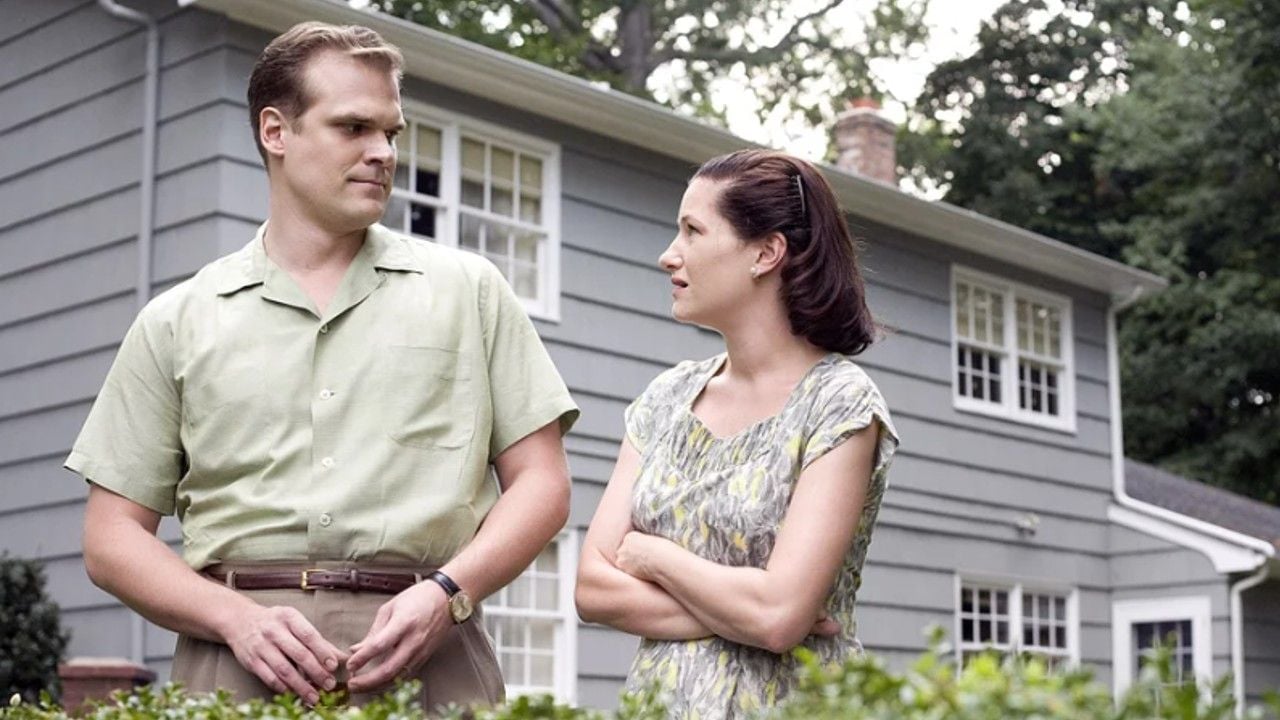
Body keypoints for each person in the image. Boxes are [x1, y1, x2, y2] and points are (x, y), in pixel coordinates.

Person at [66, 21, 578, 710]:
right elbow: (110, 538)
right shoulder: (178, 320)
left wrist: (449, 593)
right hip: (235, 665)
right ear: (276, 132)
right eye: (354, 128)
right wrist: (233, 619)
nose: (383, 153)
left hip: (434, 656)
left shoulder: (470, 291)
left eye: (391, 133)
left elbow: (543, 485)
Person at [574, 149, 900, 718]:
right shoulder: (666, 399)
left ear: (766, 253)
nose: (667, 255)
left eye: (692, 231)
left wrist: (651, 557)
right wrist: (754, 610)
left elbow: (777, 619)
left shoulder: (840, 404)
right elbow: (593, 590)